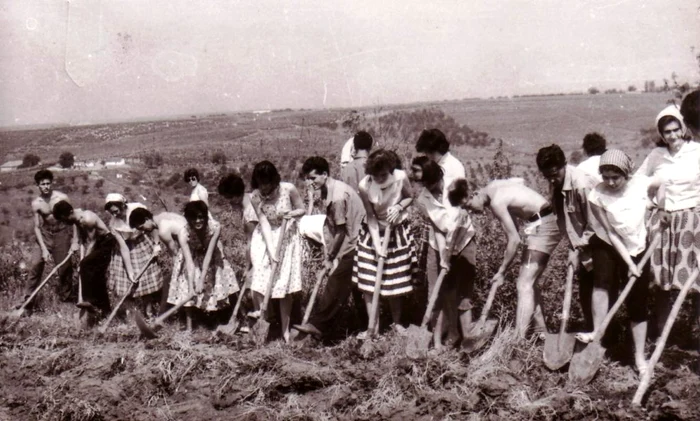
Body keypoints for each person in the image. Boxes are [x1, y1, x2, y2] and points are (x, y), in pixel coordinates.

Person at [584, 149, 660, 376]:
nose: (610, 182)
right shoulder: (596, 195)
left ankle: (639, 357)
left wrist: (663, 207)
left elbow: (665, 181)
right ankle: (597, 334)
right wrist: (629, 263)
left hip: (639, 246)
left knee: (637, 302)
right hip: (609, 242)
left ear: (626, 174)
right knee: (602, 282)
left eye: (615, 177)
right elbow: (610, 233)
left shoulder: (641, 185)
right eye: (605, 177)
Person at [464, 177, 561, 339]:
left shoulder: (496, 202)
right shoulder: (493, 185)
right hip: (540, 222)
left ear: (474, 194)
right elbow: (521, 181)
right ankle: (541, 331)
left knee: (523, 284)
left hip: (544, 225)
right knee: (529, 281)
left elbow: (514, 240)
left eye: (468, 206)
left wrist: (501, 272)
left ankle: (517, 340)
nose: (470, 211)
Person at [635, 104, 700, 336]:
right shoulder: (656, 155)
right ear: (661, 134)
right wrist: (651, 203)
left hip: (693, 220)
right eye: (667, 132)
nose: (672, 135)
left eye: (675, 129)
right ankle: (663, 331)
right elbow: (638, 182)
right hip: (664, 221)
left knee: (696, 278)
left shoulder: (697, 151)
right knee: (663, 279)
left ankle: (695, 330)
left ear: (682, 128)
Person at [293, 157, 366, 340]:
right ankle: (364, 326)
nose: (310, 183)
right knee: (357, 287)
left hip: (357, 243)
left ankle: (319, 325)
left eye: (313, 178)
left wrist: (330, 257)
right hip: (351, 242)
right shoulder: (329, 190)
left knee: (336, 282)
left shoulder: (338, 196)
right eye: (307, 179)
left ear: (325, 174)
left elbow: (341, 231)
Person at [354, 149, 417, 339]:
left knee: (394, 280)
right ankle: (373, 327)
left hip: (396, 231)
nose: (380, 178)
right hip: (372, 233)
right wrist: (377, 246)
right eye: (376, 175)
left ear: (390, 170)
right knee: (368, 282)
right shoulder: (364, 186)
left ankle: (397, 323)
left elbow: (409, 197)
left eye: (383, 174)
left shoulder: (400, 178)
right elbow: (371, 217)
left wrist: (399, 207)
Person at [414, 162, 476, 349]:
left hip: (464, 241)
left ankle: (467, 340)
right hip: (439, 245)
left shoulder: (455, 186)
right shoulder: (422, 200)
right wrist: (443, 255)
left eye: (432, 183)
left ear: (439, 177)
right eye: (425, 184)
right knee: (437, 292)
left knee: (462, 292)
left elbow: (465, 213)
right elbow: (437, 229)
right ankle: (439, 343)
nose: (429, 188)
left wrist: (453, 248)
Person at [536, 144, 598, 333]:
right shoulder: (557, 184)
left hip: (601, 241)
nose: (552, 180)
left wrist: (576, 249)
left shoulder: (581, 185)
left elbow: (595, 223)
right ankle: (592, 333)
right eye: (548, 176)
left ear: (564, 165)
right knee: (586, 292)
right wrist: (574, 248)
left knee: (600, 291)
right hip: (583, 244)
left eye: (555, 174)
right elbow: (566, 220)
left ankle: (606, 338)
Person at [248, 161, 306, 343]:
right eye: (260, 183)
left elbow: (302, 209)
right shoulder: (255, 196)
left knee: (284, 285)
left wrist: (293, 214)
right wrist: (272, 251)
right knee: (260, 281)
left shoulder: (288, 189)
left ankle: (285, 331)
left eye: (267, 182)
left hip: (287, 235)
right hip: (265, 238)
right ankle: (265, 321)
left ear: (274, 180)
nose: (264, 187)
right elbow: (263, 222)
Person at [166, 201, 239, 330]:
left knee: (219, 282)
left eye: (201, 217)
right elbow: (189, 262)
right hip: (192, 256)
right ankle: (189, 327)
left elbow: (209, 253)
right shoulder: (183, 233)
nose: (198, 221)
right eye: (194, 218)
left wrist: (201, 280)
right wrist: (191, 286)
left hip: (211, 255)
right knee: (186, 285)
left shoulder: (215, 227)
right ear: (188, 219)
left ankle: (223, 318)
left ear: (205, 216)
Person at [52, 200, 116, 323]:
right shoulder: (76, 217)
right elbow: (80, 233)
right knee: (98, 279)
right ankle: (105, 311)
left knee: (85, 265)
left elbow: (91, 242)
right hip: (98, 242)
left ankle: (88, 300)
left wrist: (84, 260)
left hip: (106, 242)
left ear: (70, 212)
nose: (65, 222)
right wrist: (75, 243)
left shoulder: (87, 219)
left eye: (64, 219)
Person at [26, 170, 78, 305]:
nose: (46, 186)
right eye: (42, 184)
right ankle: (27, 301)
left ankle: (66, 298)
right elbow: (37, 227)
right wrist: (43, 249)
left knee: (65, 268)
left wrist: (75, 241)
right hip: (45, 235)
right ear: (38, 185)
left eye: (48, 183)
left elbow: (74, 219)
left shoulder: (62, 198)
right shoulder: (36, 203)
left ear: (51, 183)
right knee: (35, 265)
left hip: (61, 234)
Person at [104, 194, 162, 314]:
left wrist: (157, 244)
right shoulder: (113, 224)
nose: (114, 215)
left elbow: (153, 224)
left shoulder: (137, 208)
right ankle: (131, 312)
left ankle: (149, 311)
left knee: (146, 279)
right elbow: (123, 247)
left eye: (116, 211)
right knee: (128, 281)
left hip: (142, 244)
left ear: (122, 205)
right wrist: (130, 271)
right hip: (125, 250)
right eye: (111, 213)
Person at [128, 208, 187, 312]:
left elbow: (175, 254)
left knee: (170, 282)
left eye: (142, 227)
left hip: (193, 246)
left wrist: (176, 275)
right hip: (192, 240)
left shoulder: (163, 230)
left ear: (146, 219)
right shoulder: (161, 217)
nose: (143, 231)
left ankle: (165, 316)